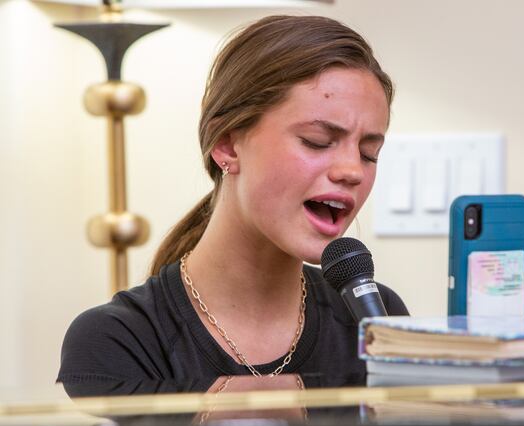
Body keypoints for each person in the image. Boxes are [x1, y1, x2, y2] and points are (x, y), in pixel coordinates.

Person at [58, 15, 408, 390]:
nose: (352, 170)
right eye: (317, 141)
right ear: (226, 144)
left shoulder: (376, 318)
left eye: (370, 153)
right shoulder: (117, 340)